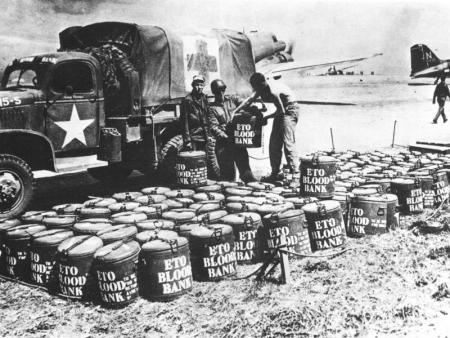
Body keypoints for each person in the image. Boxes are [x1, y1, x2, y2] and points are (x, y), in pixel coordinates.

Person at [233, 72, 300, 182]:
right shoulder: (260, 87)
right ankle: (275, 173)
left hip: (290, 110)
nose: (254, 89)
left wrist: (266, 117)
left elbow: (281, 111)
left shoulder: (273, 91)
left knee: (288, 142)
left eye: (255, 87)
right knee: (274, 143)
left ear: (261, 83)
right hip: (281, 111)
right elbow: (249, 100)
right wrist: (235, 111)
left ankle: (295, 174)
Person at [208, 79, 256, 182]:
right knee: (228, 177)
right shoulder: (211, 108)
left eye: (222, 89)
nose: (221, 92)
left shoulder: (233, 100)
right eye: (217, 91)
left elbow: (245, 104)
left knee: (246, 172)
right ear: (213, 92)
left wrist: (253, 110)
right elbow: (213, 127)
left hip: (238, 140)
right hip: (224, 144)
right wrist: (225, 136)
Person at [180, 75, 210, 150]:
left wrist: (209, 135)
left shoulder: (204, 98)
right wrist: (187, 140)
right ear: (193, 85)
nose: (200, 87)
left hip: (204, 135)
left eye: (201, 85)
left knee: (205, 159)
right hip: (193, 136)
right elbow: (184, 122)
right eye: (197, 85)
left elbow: (208, 116)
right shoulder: (187, 100)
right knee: (195, 159)